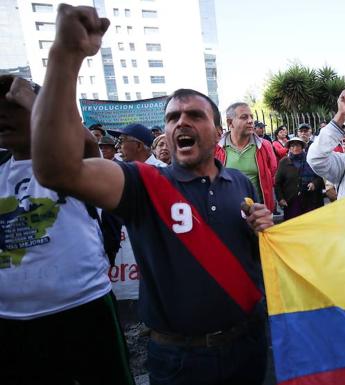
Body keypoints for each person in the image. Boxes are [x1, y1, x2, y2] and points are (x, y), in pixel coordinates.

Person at [30, 5, 274, 384]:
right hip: (180, 361)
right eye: (173, 117)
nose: (181, 122)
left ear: (215, 132)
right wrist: (65, 55)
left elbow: (252, 257)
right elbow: (57, 169)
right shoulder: (141, 184)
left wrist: (262, 229)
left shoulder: (239, 185)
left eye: (194, 115)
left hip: (249, 346)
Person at [0, 75, 134, 385]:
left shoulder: (76, 166)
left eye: (12, 104)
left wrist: (34, 98)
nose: (3, 114)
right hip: (12, 320)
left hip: (82, 309)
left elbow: (85, 140)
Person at [216, 102, 277, 212]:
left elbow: (272, 174)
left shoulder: (265, 146)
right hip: (227, 210)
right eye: (244, 117)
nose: (250, 121)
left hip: (258, 211)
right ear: (230, 122)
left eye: (251, 117)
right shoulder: (217, 149)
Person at [275, 137, 324, 220]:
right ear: (289, 148)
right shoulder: (284, 162)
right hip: (291, 201)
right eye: (292, 146)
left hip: (310, 200)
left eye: (298, 146)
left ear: (302, 147)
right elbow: (278, 183)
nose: (295, 148)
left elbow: (320, 177)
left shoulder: (310, 160)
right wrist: (280, 198)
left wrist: (314, 183)